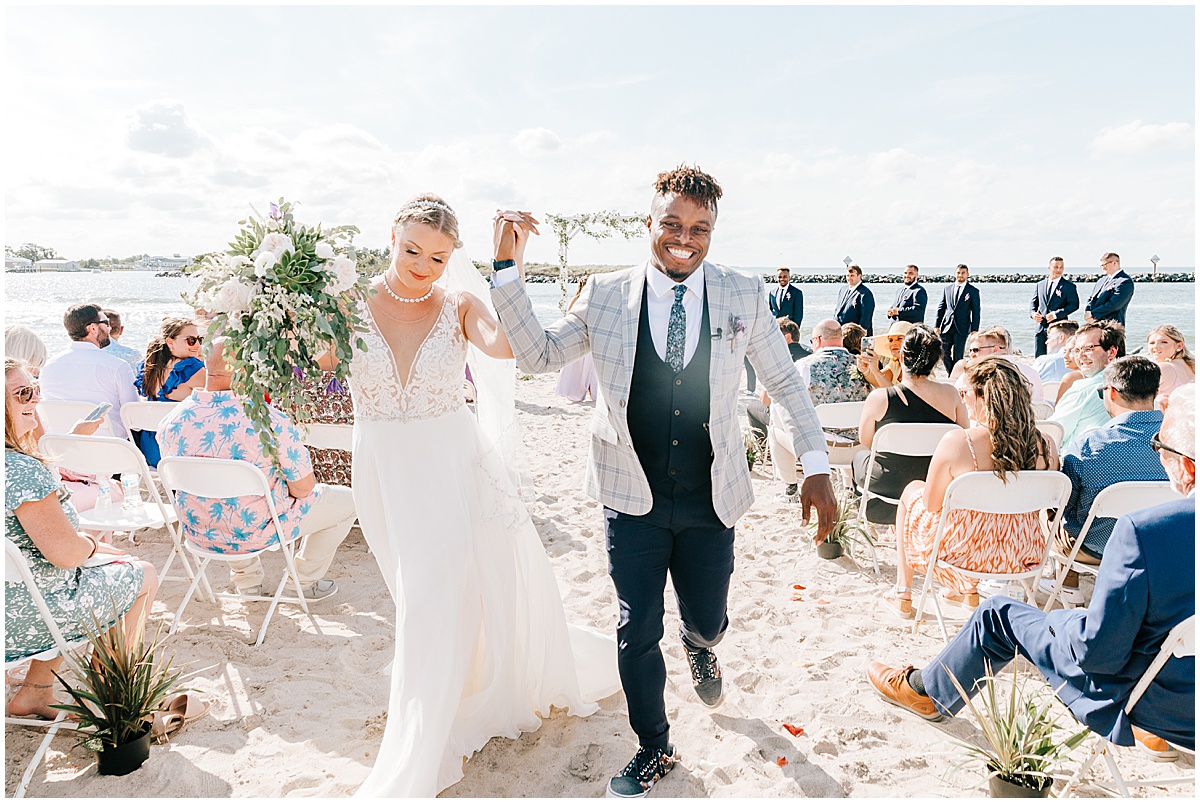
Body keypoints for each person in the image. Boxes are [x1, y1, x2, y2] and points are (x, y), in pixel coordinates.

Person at [488, 166, 837, 798]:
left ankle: (701, 644)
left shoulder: (743, 295)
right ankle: (654, 745)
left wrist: (815, 465)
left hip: (712, 494)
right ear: (649, 224)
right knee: (634, 625)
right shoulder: (604, 294)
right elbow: (538, 355)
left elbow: (784, 384)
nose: (685, 239)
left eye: (700, 228)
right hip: (630, 492)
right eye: (671, 224)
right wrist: (507, 271)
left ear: (713, 232)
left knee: (707, 617)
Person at [317, 194, 618, 797]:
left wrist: (509, 266)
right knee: (418, 592)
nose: (423, 266)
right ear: (392, 236)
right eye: (411, 250)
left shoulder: (459, 304)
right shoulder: (346, 305)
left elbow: (507, 350)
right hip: (381, 468)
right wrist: (283, 311)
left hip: (450, 466)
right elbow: (322, 361)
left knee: (432, 592)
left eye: (438, 255)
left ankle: (421, 739)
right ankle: (460, 683)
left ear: (453, 257)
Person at [866, 382, 1195, 759]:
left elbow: (1096, 654)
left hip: (1161, 704)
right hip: (1184, 692)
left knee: (999, 613)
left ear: (1186, 465)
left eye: (1160, 447)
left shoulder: (1145, 533)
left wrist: (1069, 621)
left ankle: (926, 692)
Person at [5, 358, 158, 720]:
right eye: (23, 393)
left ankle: (36, 691)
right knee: (144, 574)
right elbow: (64, 553)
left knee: (75, 572)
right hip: (20, 621)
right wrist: (89, 546)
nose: (34, 401)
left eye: (36, 390)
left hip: (14, 599)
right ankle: (105, 694)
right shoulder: (20, 470)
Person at [158, 339, 353, 600]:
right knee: (349, 502)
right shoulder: (268, 421)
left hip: (200, 530)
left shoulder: (172, 421)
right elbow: (304, 489)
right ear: (245, 370)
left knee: (223, 497)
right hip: (258, 531)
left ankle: (247, 581)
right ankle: (302, 582)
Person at [884, 357, 1058, 617]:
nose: (963, 399)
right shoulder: (1046, 444)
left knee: (912, 492)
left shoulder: (959, 442)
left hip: (964, 553)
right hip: (1021, 553)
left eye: (964, 393)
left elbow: (932, 506)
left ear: (983, 397)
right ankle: (966, 591)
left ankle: (903, 593)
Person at [1049, 356, 1167, 604]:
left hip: (1095, 548)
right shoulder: (1180, 441)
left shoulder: (1089, 445)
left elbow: (1065, 506)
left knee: (1049, 509)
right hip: (1160, 546)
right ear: (1155, 392)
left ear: (1111, 393)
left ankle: (1068, 585)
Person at [854, 325, 968, 526]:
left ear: (902, 358)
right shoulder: (952, 395)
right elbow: (963, 436)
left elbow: (867, 441)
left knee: (859, 457)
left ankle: (867, 517)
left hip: (888, 490)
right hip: (935, 486)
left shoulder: (880, 397)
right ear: (935, 361)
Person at [38, 304, 137, 439]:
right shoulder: (117, 366)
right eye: (106, 323)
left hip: (63, 446)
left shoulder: (48, 367)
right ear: (93, 328)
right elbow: (134, 421)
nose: (109, 328)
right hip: (112, 449)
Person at [133, 317, 206, 467]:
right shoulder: (193, 369)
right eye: (191, 340)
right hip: (178, 450)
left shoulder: (148, 366)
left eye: (200, 339)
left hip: (150, 449)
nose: (197, 345)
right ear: (170, 342)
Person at [1050, 321, 1125, 445]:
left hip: (1080, 459)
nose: (1080, 356)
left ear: (1111, 352)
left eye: (1088, 348)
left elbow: (1054, 432)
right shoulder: (1139, 383)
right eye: (1077, 350)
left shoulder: (1084, 389)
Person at [953, 326, 1044, 402]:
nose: (971, 354)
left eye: (976, 350)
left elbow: (957, 402)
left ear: (995, 349)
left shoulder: (973, 375)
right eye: (970, 350)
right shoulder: (1031, 372)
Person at [556, 277, 599, 402]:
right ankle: (584, 392)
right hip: (581, 338)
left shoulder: (587, 299)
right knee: (583, 367)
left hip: (589, 337)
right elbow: (569, 317)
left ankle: (592, 393)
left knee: (590, 368)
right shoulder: (578, 300)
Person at [934, 264, 981, 374]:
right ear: (955, 274)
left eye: (963, 273)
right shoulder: (947, 289)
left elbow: (976, 311)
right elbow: (941, 307)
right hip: (947, 326)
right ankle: (952, 374)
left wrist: (975, 329)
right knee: (942, 352)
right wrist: (937, 325)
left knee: (958, 355)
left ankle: (957, 377)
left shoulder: (973, 291)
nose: (960, 275)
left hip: (962, 327)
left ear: (967, 274)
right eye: (958, 273)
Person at [1029, 256, 1079, 357]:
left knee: (1058, 357)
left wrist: (1056, 314)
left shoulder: (1069, 286)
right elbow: (1034, 302)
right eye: (1056, 267)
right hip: (1040, 327)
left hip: (1059, 328)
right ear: (1049, 268)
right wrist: (1033, 313)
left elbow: (1074, 305)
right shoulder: (1040, 284)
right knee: (1039, 357)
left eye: (1061, 267)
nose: (1059, 270)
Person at [1145, 325, 1195, 406]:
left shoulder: (1163, 368)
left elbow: (1140, 399)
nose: (1156, 346)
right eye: (1152, 343)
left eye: (1164, 342)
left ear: (1179, 346)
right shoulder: (1190, 365)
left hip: (1168, 417)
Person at [858, 320, 911, 389]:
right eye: (891, 340)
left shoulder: (920, 365)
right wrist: (865, 370)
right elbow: (878, 382)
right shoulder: (895, 363)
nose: (893, 343)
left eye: (899, 339)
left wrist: (876, 371)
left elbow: (901, 395)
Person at [1085, 252, 1134, 326]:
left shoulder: (1124, 281)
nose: (1103, 267)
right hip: (1094, 324)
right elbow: (1091, 298)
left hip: (1112, 326)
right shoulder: (1101, 280)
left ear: (1115, 263)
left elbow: (1114, 305)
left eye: (1105, 264)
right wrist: (1088, 311)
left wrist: (1093, 314)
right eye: (1101, 265)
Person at [1034, 319, 1079, 384]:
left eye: (1049, 337)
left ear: (1061, 337)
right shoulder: (1084, 363)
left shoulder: (1043, 361)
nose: (1046, 342)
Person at [835, 263, 874, 336]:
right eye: (847, 276)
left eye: (852, 276)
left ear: (859, 276)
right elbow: (837, 310)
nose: (849, 278)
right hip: (841, 333)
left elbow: (866, 318)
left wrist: (859, 335)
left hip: (855, 337)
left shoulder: (865, 293)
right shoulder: (843, 290)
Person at [1056, 334, 1084, 404]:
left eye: (1072, 351)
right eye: (1065, 351)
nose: (1065, 356)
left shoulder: (1070, 378)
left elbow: (1058, 409)